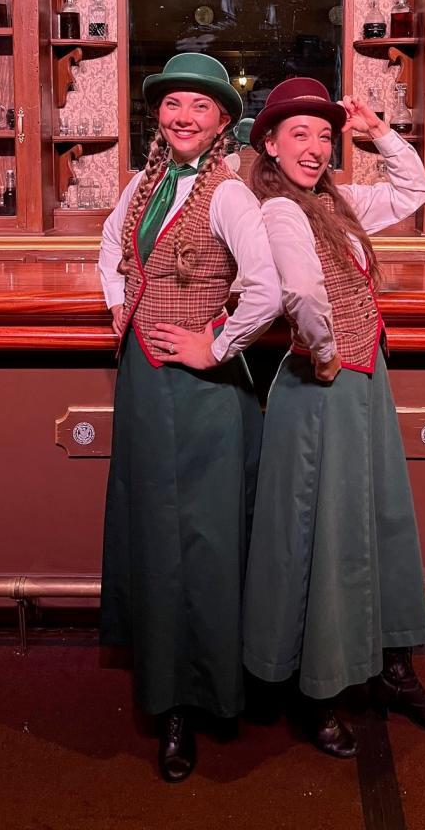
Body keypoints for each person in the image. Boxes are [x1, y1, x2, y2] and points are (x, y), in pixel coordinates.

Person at [242, 78, 425, 757]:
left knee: (379, 525)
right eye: (299, 135)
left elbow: (415, 190)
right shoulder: (276, 210)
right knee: (327, 539)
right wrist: (330, 350)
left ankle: (393, 673)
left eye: (325, 136)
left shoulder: (338, 200)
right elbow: (301, 292)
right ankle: (320, 692)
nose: (315, 148)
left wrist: (380, 133)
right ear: (270, 146)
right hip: (323, 391)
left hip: (365, 384)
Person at [97, 53, 280, 783]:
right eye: (173, 104)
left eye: (199, 108)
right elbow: (111, 247)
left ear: (223, 122)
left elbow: (264, 290)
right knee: (155, 533)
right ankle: (169, 697)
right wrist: (116, 298)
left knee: (202, 540)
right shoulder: (143, 185)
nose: (182, 117)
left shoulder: (231, 196)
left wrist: (218, 346)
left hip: (202, 396)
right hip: (144, 382)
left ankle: (205, 696)